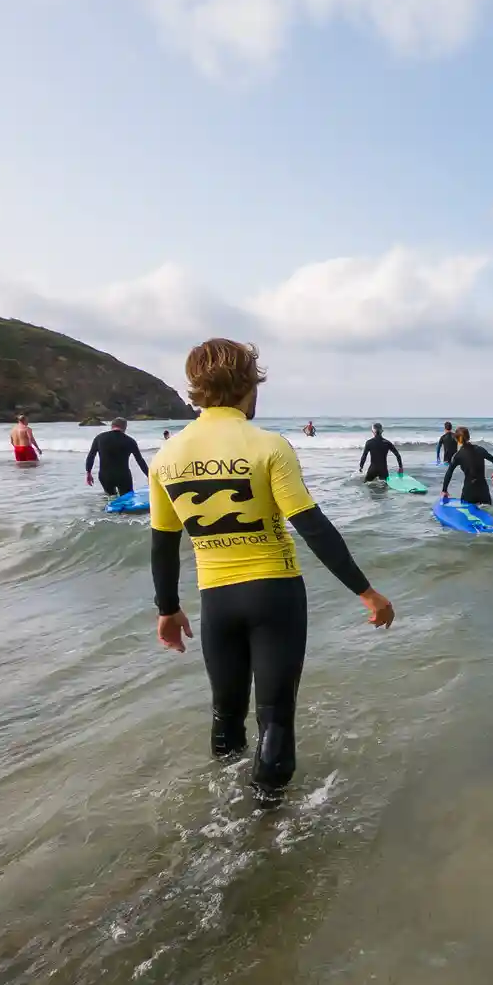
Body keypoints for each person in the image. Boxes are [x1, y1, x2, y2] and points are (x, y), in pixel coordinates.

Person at [149, 340, 395, 796]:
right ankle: (266, 824)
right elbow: (312, 526)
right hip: (274, 594)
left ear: (196, 390)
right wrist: (367, 592)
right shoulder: (269, 446)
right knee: (275, 716)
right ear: (250, 386)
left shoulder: (167, 456)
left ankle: (221, 807)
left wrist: (167, 608)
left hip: (216, 600)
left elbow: (163, 543)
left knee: (225, 712)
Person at [85, 418, 148, 497]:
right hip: (123, 476)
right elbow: (140, 460)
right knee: (127, 499)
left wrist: (88, 472)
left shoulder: (99, 438)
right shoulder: (130, 441)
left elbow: (91, 456)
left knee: (111, 498)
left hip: (105, 476)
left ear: (112, 426)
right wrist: (149, 475)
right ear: (125, 427)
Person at [440, 426, 493, 504]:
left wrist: (444, 490)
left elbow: (449, 473)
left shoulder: (458, 455)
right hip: (483, 491)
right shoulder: (480, 449)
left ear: (457, 440)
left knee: (465, 512)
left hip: (469, 491)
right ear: (469, 437)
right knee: (487, 511)